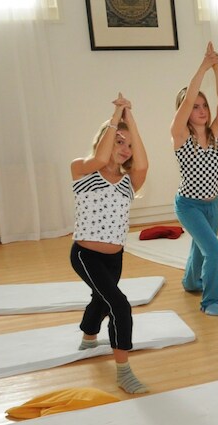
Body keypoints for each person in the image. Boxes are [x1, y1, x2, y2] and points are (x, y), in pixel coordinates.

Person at [70, 93, 150, 394]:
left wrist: (131, 124)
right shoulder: (82, 169)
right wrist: (117, 116)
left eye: (128, 145)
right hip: (85, 254)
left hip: (114, 256)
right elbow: (101, 158)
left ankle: (88, 337)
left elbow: (142, 161)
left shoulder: (131, 181)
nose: (125, 149)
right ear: (104, 139)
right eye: (118, 141)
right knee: (119, 304)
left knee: (101, 299)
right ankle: (124, 371)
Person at [171, 41, 218, 316]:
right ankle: (211, 301)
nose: (202, 110)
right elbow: (188, 97)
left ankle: (190, 281)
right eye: (195, 107)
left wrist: (217, 68)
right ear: (185, 111)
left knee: (201, 246)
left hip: (212, 205)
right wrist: (203, 66)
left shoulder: (216, 133)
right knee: (214, 251)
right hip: (189, 206)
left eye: (204, 105)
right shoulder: (181, 136)